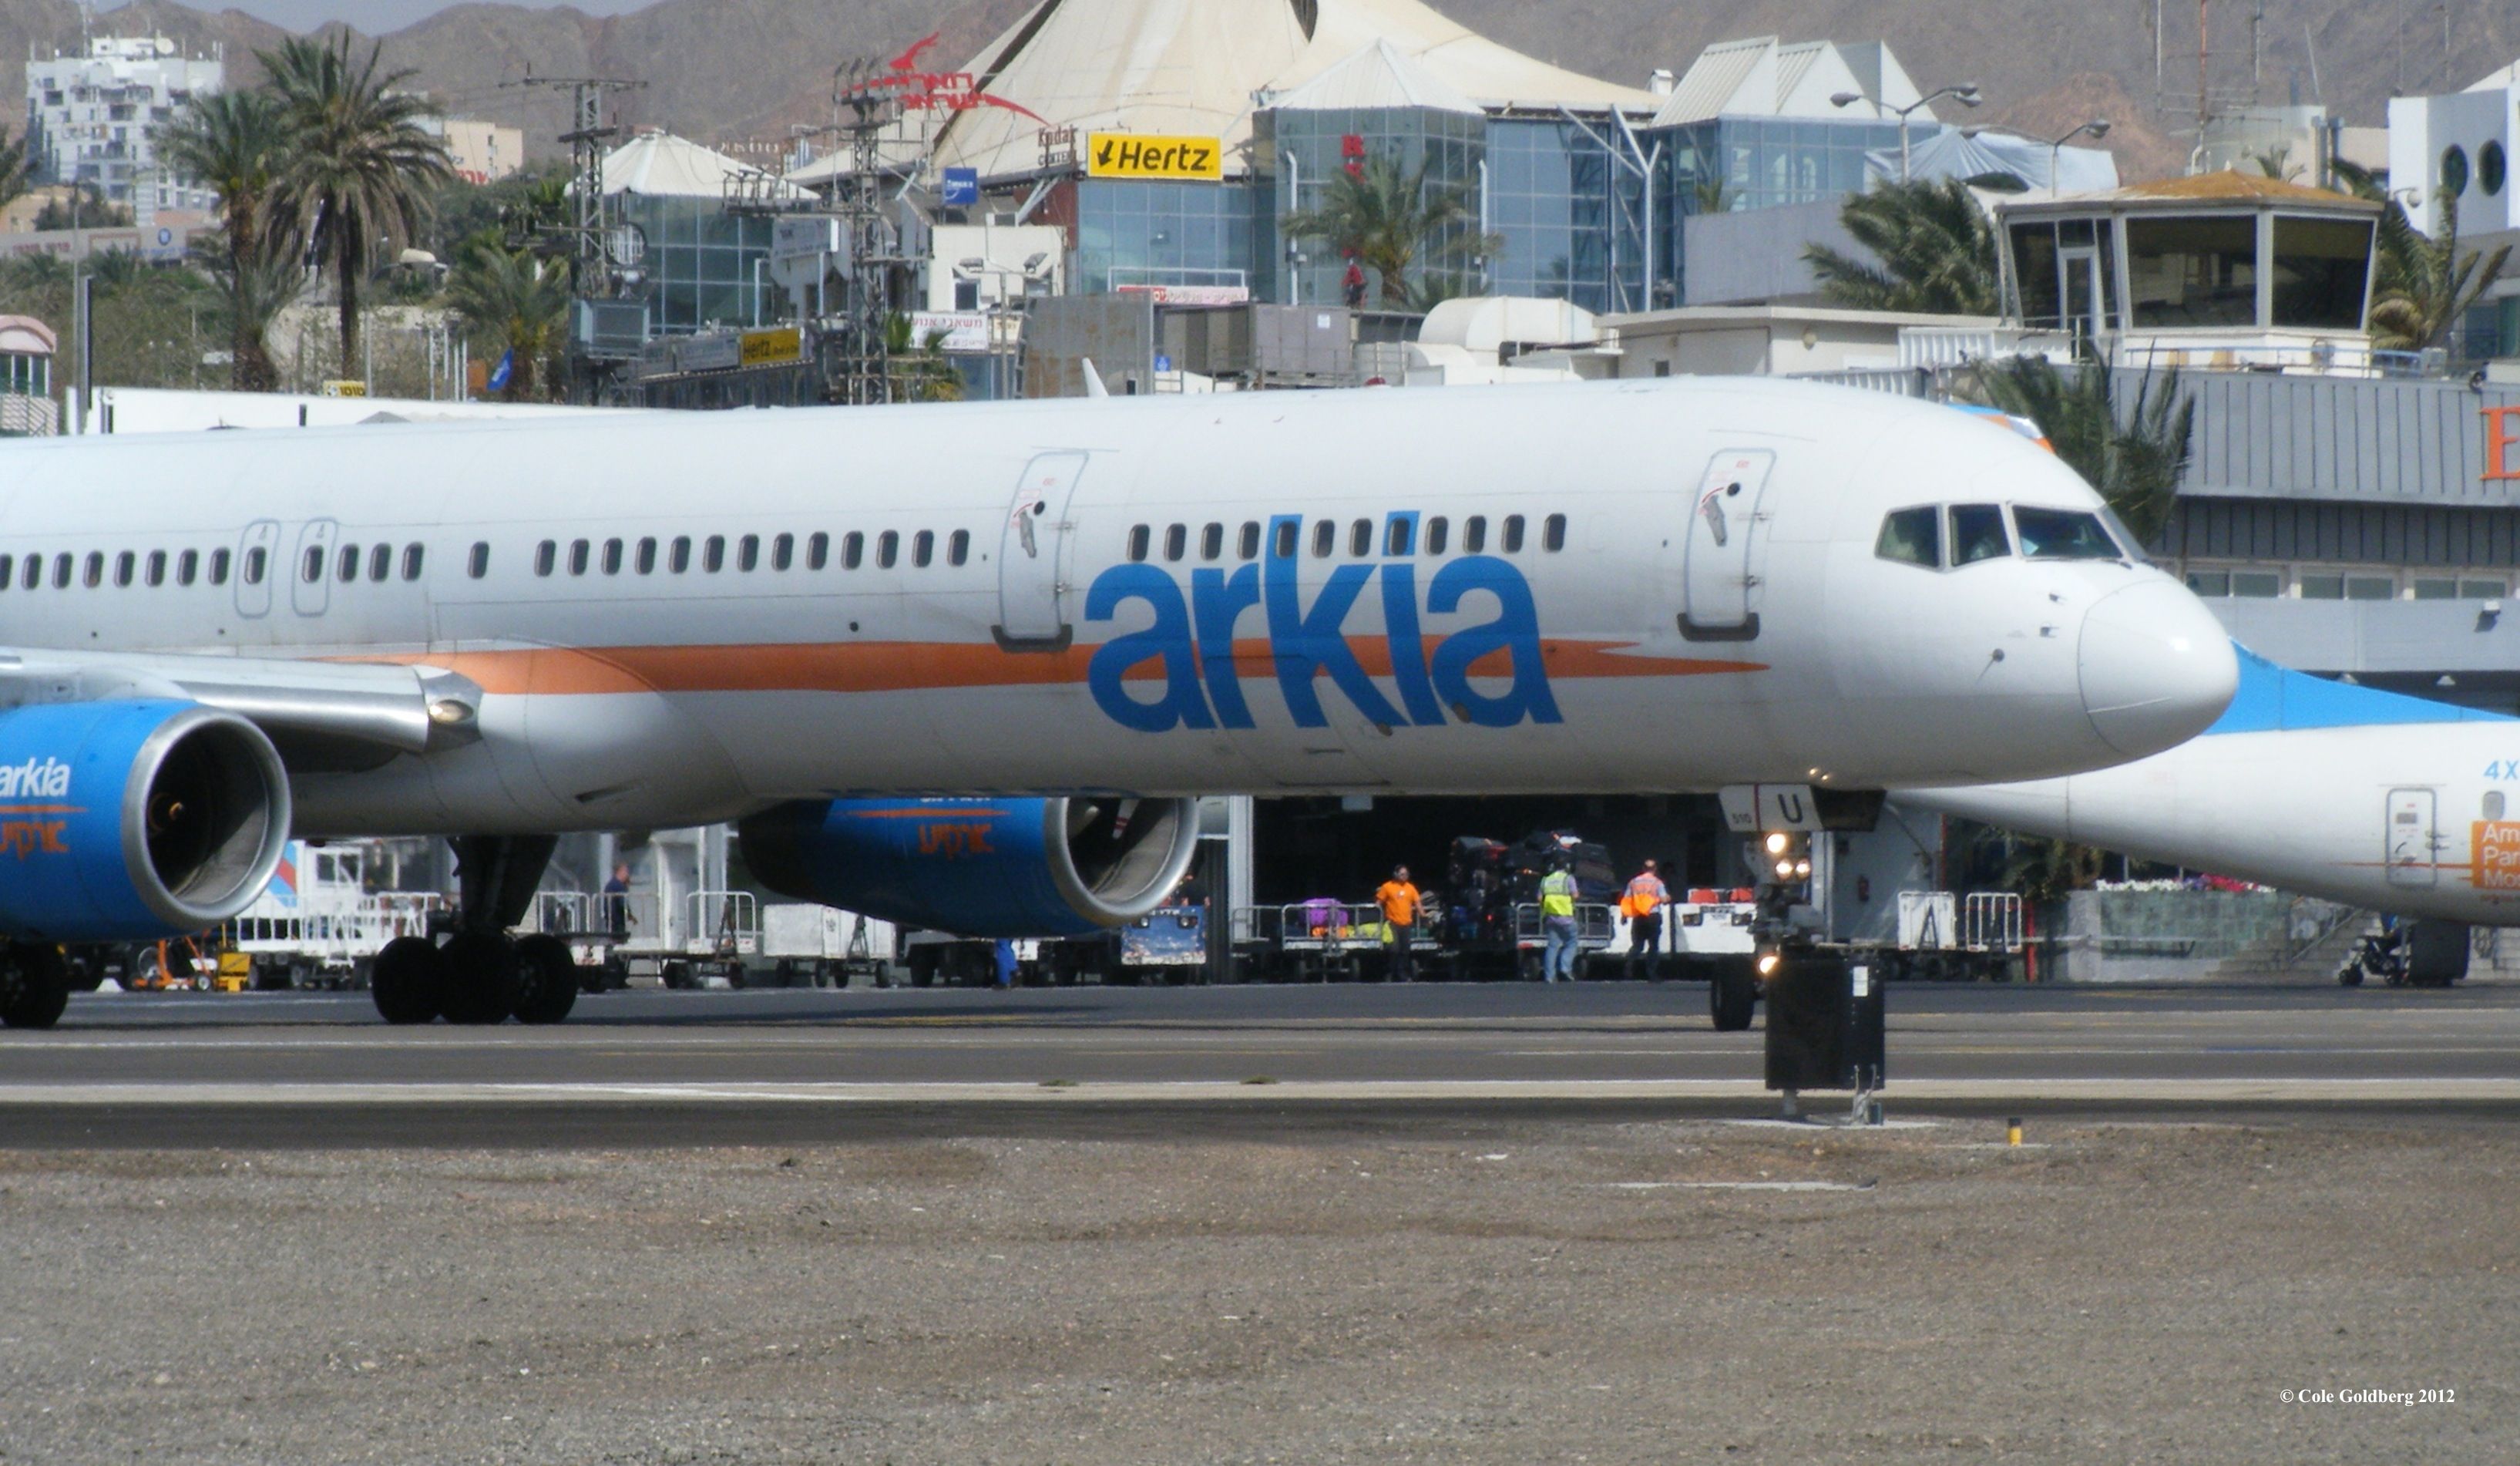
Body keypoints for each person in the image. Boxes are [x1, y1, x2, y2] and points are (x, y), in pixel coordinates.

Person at [1622, 858, 1668, 980]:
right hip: (1653, 916)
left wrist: (1624, 916)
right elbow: (1664, 900)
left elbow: (1627, 900)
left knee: (1637, 945)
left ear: (1643, 868)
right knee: (1653, 946)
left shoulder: (1633, 882)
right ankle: (1651, 973)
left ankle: (1629, 966)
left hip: (1638, 917)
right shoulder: (1657, 883)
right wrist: (1667, 898)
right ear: (1655, 869)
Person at [1375, 864, 1422, 983]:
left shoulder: (1410, 888)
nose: (1404, 876)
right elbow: (1379, 903)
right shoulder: (1387, 887)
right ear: (1395, 874)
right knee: (1394, 949)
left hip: (1406, 923)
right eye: (1402, 874)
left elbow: (1417, 903)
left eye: (1406, 874)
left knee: (1405, 950)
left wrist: (1424, 915)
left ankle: (1402, 974)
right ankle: (1389, 972)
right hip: (1392, 923)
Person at [1538, 858, 1579, 981]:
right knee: (1571, 943)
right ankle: (1565, 968)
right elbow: (1575, 895)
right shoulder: (1568, 878)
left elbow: (1540, 898)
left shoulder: (1546, 879)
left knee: (1552, 946)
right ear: (1566, 867)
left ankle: (1549, 976)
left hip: (1550, 917)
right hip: (1566, 917)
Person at [602, 862, 633, 937]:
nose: (627, 874)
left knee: (612, 938)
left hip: (610, 919)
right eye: (626, 871)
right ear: (620, 871)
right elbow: (622, 903)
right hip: (617, 919)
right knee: (619, 939)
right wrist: (629, 915)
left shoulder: (610, 884)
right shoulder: (618, 886)